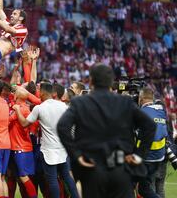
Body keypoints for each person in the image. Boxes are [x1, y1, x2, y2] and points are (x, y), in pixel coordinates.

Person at [57, 64, 157, 198]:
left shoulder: (80, 102)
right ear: (111, 82)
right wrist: (138, 156)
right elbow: (150, 126)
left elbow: (62, 127)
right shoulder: (125, 102)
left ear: (91, 81)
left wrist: (76, 155)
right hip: (120, 168)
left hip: (92, 169)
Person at [13, 82, 79, 198]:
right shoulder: (63, 106)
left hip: (48, 150)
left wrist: (17, 109)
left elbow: (24, 123)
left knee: (52, 180)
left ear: (42, 93)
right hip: (63, 148)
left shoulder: (39, 108)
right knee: (67, 177)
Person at [138, 87, 168, 198]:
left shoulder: (142, 112)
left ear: (141, 98)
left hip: (146, 158)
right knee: (146, 188)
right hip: (159, 157)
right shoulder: (161, 111)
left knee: (141, 188)